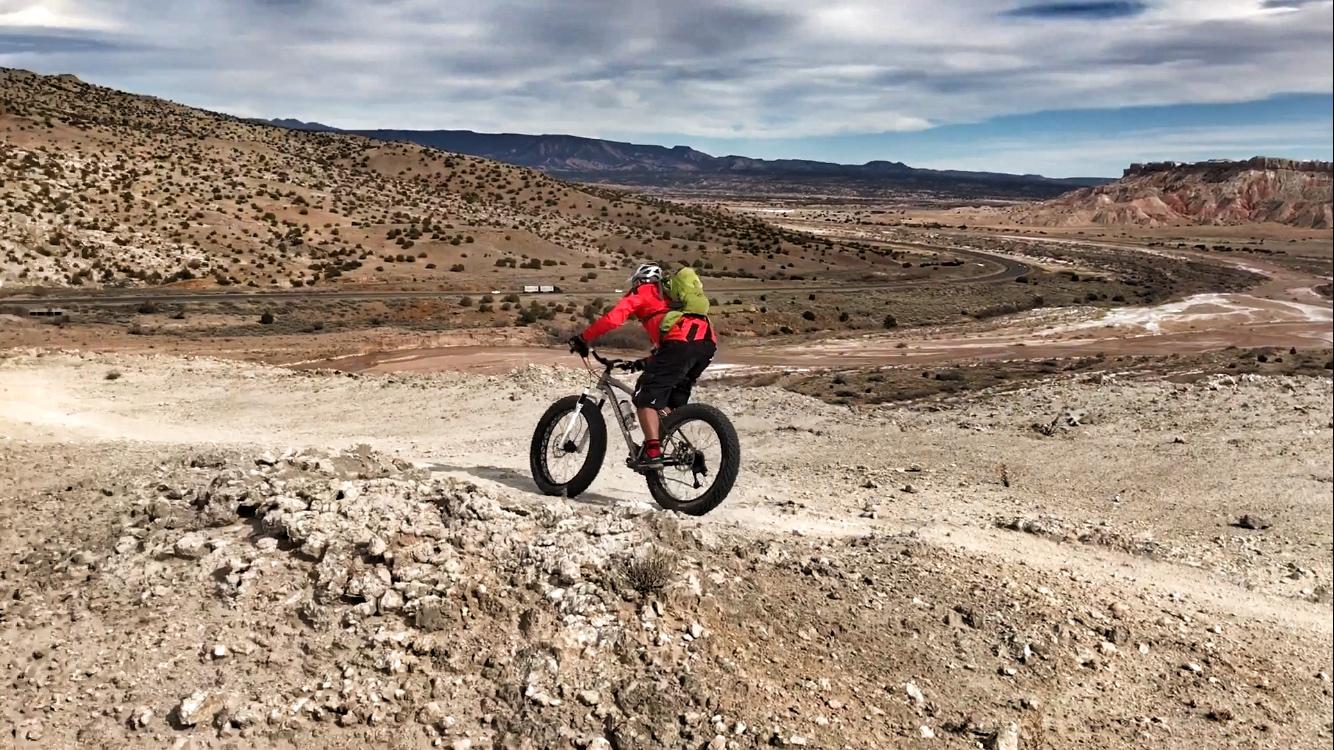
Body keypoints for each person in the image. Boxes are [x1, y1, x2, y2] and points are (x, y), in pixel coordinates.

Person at [568, 263, 717, 470]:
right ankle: (672, 446)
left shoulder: (644, 291)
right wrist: (644, 363)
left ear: (639, 280)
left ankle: (653, 452)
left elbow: (613, 318)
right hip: (706, 344)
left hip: (680, 343)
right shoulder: (671, 299)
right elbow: (669, 343)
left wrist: (583, 338)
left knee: (644, 395)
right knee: (668, 401)